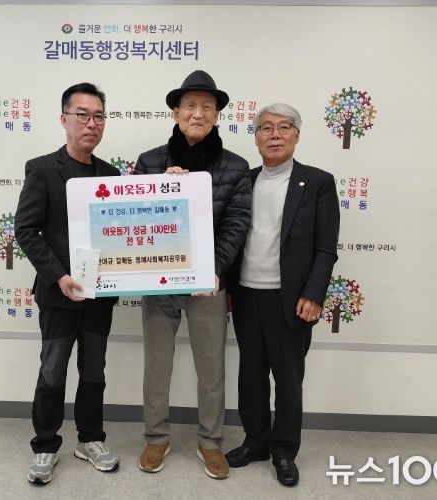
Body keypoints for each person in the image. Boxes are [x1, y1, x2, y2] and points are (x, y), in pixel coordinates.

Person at [134, 70, 252, 479]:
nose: (197, 113)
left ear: (217, 115)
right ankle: (156, 437)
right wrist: (160, 191)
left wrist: (213, 269)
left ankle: (211, 442)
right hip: (158, 279)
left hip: (208, 283)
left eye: (206, 107)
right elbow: (133, 221)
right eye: (189, 106)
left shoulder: (236, 166)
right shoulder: (150, 162)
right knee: (157, 365)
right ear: (176, 112)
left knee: (211, 366)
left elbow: (237, 224)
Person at [225, 103, 340, 487]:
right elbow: (231, 236)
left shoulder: (318, 182)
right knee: (250, 375)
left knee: (288, 379)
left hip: (290, 299)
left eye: (284, 127)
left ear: (297, 135)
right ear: (256, 137)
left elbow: (326, 247)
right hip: (246, 294)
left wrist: (314, 294)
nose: (275, 134)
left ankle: (284, 450)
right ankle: (256, 441)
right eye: (266, 128)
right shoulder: (245, 180)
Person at [14, 82, 120, 486]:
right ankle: (45, 445)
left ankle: (91, 439)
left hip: (99, 296)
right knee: (53, 370)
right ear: (64, 119)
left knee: (94, 371)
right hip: (59, 294)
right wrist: (58, 276)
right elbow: (26, 230)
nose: (92, 124)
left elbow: (120, 234)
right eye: (83, 115)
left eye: (99, 116)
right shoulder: (42, 169)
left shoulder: (111, 175)